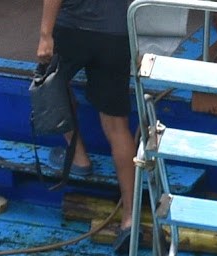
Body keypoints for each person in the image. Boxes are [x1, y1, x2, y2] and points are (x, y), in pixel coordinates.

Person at [38, 0, 150, 232]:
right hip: (115, 35)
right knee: (117, 126)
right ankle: (130, 217)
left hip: (72, 29)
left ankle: (78, 156)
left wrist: (45, 35)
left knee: (51, 85)